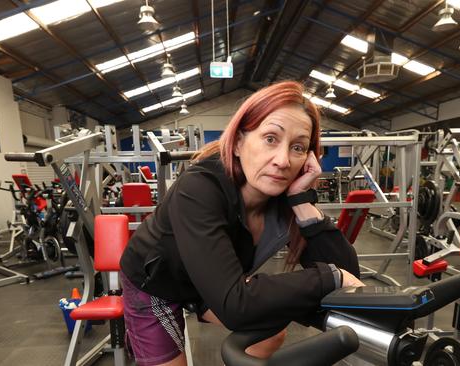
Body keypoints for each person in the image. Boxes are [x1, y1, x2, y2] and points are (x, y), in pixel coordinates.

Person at [119, 81, 364, 366]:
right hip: (156, 282)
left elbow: (348, 276)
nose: (283, 160)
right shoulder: (198, 188)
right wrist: (328, 278)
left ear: (308, 158)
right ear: (237, 142)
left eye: (298, 147)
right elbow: (235, 306)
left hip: (215, 279)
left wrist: (301, 200)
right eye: (271, 138)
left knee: (270, 335)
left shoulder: (284, 195)